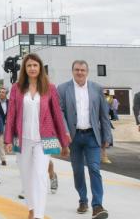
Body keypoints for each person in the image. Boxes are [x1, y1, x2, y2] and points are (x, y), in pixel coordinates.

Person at [4, 53, 70, 219]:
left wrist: (64, 142)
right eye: (29, 66)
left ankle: (38, 215)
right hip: (23, 140)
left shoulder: (50, 88)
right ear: (24, 69)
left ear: (40, 68)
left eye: (35, 65)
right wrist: (7, 139)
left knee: (40, 176)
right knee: (26, 177)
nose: (32, 68)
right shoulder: (17, 88)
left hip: (44, 140)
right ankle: (32, 209)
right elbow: (11, 115)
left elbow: (57, 116)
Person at [58, 60, 112, 219]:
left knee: (94, 169)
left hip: (92, 136)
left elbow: (104, 114)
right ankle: (83, 200)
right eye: (77, 70)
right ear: (72, 71)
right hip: (73, 138)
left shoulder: (96, 88)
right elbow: (60, 113)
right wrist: (65, 133)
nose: (80, 72)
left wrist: (106, 136)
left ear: (87, 72)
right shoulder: (63, 88)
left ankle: (97, 205)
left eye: (82, 70)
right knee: (78, 171)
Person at [0, 87, 9, 166]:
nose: (1, 93)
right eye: (0, 92)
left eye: (3, 92)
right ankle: (3, 159)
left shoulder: (10, 102)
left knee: (8, 142)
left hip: (8, 125)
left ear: (6, 94)